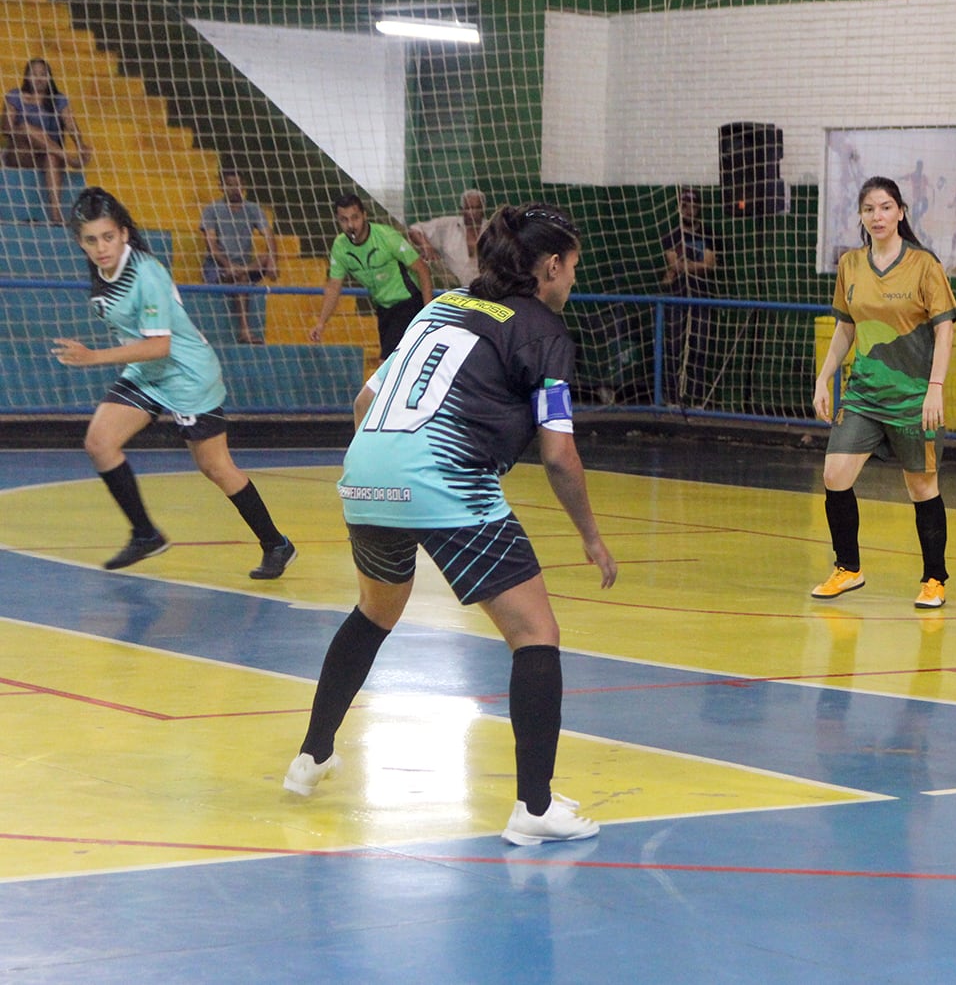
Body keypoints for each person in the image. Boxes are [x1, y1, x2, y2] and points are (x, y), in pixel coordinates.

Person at [282, 203, 618, 846]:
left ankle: (312, 755)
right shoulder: (543, 331)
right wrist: (591, 535)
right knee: (535, 632)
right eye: (572, 267)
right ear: (550, 267)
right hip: (445, 481)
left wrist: (381, 478)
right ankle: (535, 807)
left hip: (365, 471)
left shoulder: (439, 310)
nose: (572, 280)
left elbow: (365, 400)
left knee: (374, 612)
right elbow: (558, 454)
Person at [49, 187, 296, 578]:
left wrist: (93, 357)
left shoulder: (146, 273)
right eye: (91, 240)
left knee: (216, 467)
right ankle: (145, 534)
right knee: (99, 443)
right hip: (146, 373)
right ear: (80, 241)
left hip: (186, 375)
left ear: (124, 234)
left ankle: (276, 544)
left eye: (109, 237)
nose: (101, 247)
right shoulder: (100, 269)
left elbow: (160, 345)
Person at [810, 176, 956, 609]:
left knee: (922, 487)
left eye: (886, 207)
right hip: (864, 394)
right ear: (861, 216)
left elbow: (944, 330)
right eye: (869, 209)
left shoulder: (924, 265)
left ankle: (935, 578)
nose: (878, 216)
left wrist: (935, 388)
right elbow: (845, 327)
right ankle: (848, 568)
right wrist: (824, 377)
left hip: (914, 396)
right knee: (834, 475)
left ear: (901, 212)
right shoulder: (850, 265)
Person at [310, 193, 434, 360]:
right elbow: (334, 287)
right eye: (344, 220)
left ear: (364, 215)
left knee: (386, 364)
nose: (351, 225)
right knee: (399, 365)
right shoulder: (340, 247)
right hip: (383, 309)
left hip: (409, 303)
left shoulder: (386, 237)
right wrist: (321, 323)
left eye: (355, 218)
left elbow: (423, 270)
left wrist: (427, 311)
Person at [3, 59, 92, 224]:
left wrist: (80, 145)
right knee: (25, 127)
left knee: (52, 156)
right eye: (34, 74)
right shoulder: (15, 96)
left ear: (49, 77)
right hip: (20, 154)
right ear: (27, 77)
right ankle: (69, 159)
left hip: (47, 157)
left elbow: (70, 124)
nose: (39, 78)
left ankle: (56, 215)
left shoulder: (58, 99)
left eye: (43, 74)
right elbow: (7, 130)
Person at [200, 168, 279, 344]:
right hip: (218, 266)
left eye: (238, 185)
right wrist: (227, 264)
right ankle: (244, 332)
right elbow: (211, 246)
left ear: (244, 186)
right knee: (240, 278)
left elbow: (269, 235)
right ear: (221, 186)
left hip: (245, 265)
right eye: (230, 185)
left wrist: (273, 261)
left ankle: (242, 271)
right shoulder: (212, 210)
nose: (234, 189)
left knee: (265, 258)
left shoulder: (253, 209)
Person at [659, 186, 720, 406]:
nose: (689, 210)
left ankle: (696, 398)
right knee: (674, 347)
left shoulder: (709, 234)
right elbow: (674, 263)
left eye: (693, 205)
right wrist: (693, 265)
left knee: (700, 347)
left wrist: (685, 266)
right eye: (685, 205)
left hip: (702, 297)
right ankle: (671, 397)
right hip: (677, 297)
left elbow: (710, 264)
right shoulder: (671, 234)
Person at [406, 188, 487, 289]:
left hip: (484, 292)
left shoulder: (492, 230)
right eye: (468, 208)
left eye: (476, 208)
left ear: (483, 209)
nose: (472, 212)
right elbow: (414, 229)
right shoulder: (447, 226)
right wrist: (426, 246)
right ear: (461, 209)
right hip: (452, 291)